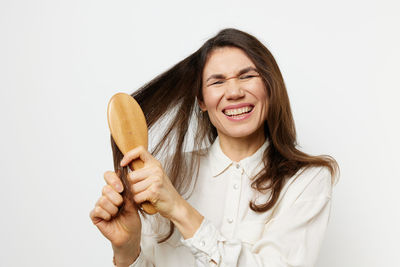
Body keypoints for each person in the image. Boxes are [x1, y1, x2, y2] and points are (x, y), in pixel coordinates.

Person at [90, 28, 338, 267]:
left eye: (247, 76)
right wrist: (127, 250)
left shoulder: (307, 179)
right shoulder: (164, 172)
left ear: (270, 88)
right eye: (217, 82)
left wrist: (178, 208)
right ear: (201, 100)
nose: (234, 92)